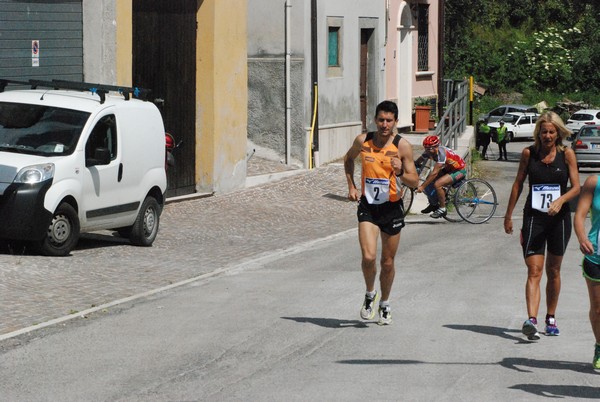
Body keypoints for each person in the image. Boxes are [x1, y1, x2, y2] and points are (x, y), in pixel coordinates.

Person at [504, 111, 580, 340]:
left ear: (558, 133)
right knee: (534, 270)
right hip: (534, 218)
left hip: (559, 219)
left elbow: (576, 187)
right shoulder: (529, 153)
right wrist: (508, 216)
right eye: (544, 131)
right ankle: (531, 320)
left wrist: (561, 200)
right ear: (538, 132)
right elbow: (518, 184)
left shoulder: (567, 154)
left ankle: (551, 317)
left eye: (551, 131)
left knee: (553, 271)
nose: (547, 136)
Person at [344, 100, 419, 325]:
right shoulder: (363, 141)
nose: (384, 124)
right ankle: (370, 294)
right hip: (368, 205)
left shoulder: (402, 146)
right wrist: (351, 186)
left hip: (391, 207)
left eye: (389, 120)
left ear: (396, 122)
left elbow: (414, 181)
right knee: (368, 257)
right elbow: (348, 159)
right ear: (375, 120)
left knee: (387, 262)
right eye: (381, 120)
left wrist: (399, 173)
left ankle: (385, 303)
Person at [573, 175, 600, 369]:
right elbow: (580, 216)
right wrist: (582, 238)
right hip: (596, 255)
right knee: (598, 309)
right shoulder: (594, 183)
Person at [415, 135, 467, 219]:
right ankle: (433, 204)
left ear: (436, 147)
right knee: (428, 181)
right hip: (449, 168)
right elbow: (418, 161)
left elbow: (434, 173)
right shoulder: (429, 152)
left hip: (460, 170)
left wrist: (422, 187)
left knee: (437, 184)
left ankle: (442, 209)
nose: (426, 150)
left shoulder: (441, 154)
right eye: (425, 148)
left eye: (429, 148)